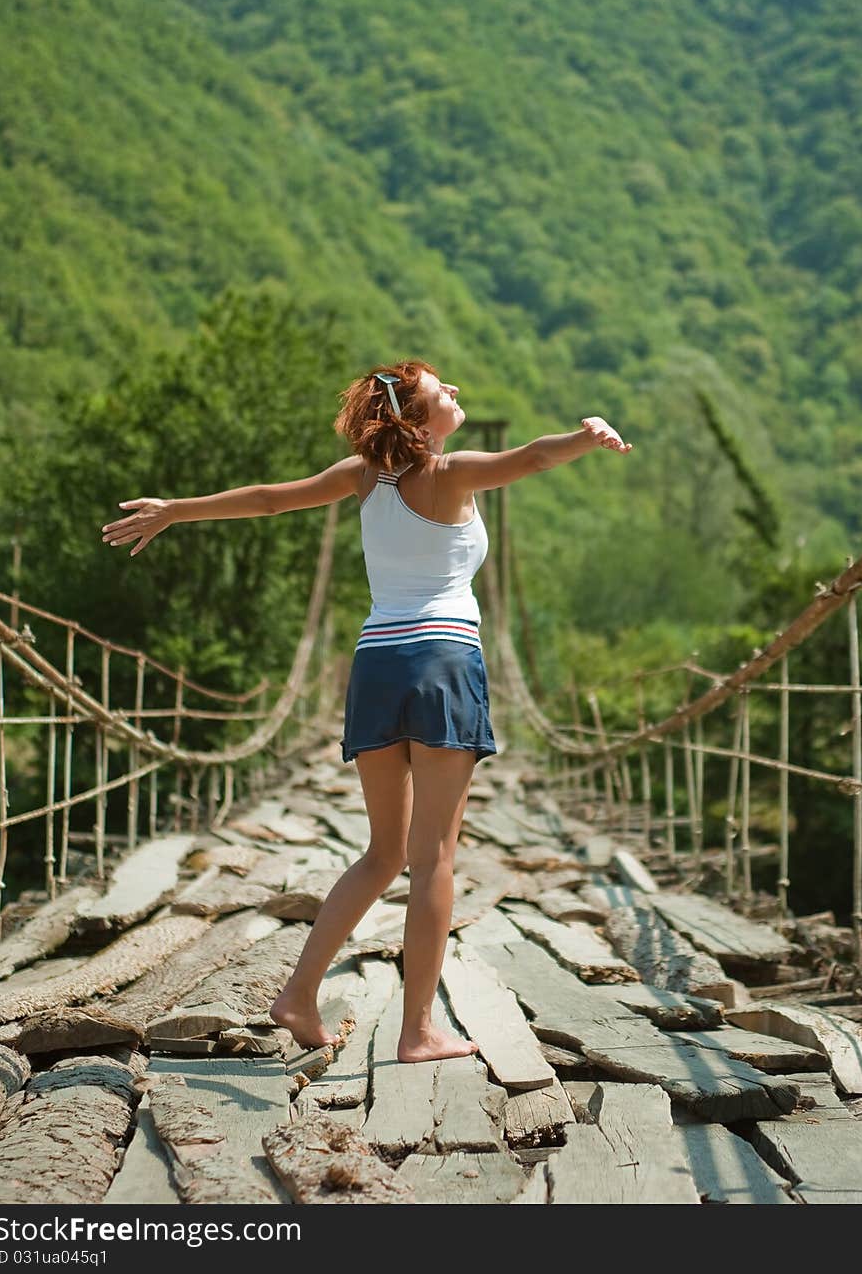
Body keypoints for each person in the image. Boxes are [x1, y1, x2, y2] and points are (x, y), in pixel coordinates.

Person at [100, 360, 632, 1062]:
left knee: (385, 851)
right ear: (419, 417)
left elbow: (266, 500)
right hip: (443, 661)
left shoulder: (360, 476)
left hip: (377, 664)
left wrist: (177, 510)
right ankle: (418, 1032)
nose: (458, 394)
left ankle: (298, 993)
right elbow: (533, 456)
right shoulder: (454, 471)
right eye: (445, 391)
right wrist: (586, 435)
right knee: (434, 856)